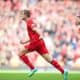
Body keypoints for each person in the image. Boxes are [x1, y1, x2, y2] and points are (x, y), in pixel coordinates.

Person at [19, 10, 68, 80]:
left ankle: (32, 68)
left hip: (35, 42)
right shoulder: (30, 22)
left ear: (26, 15)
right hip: (40, 42)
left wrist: (41, 34)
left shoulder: (29, 21)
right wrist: (24, 42)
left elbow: (35, 29)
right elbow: (33, 35)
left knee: (20, 53)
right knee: (49, 59)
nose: (20, 15)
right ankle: (63, 71)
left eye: (22, 14)